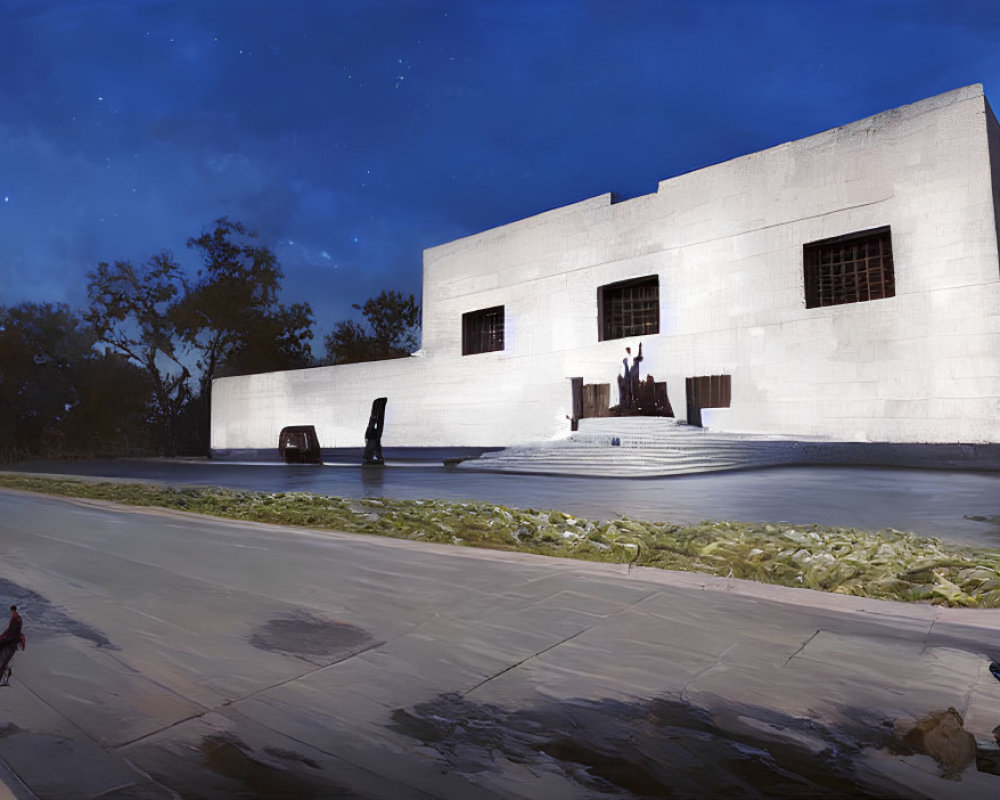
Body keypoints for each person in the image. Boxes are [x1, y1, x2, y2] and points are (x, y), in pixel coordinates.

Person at [0, 605, 24, 685]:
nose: (12, 613)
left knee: (4, 661)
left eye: (13, 611)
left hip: (12, 639)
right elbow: (11, 630)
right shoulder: (17, 618)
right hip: (13, 639)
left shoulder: (16, 619)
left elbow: (12, 630)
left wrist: (4, 637)